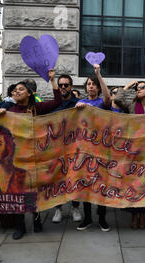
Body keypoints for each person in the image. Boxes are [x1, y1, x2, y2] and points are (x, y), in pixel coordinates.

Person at [0, 69, 62, 239]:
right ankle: (20, 227)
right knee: (18, 192)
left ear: (29, 93)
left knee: (33, 192)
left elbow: (57, 101)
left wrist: (53, 80)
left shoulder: (37, 108)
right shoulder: (9, 110)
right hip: (16, 160)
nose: (16, 92)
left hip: (36, 158)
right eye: (14, 90)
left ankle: (37, 220)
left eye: (20, 89)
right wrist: (0, 114)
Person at [114, 80, 145, 229]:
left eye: (141, 88)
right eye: (137, 88)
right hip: (133, 150)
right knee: (133, 183)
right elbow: (117, 99)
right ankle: (134, 215)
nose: (138, 90)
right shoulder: (132, 106)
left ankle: (143, 214)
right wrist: (127, 86)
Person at [75, 64, 112, 232]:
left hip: (101, 149)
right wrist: (77, 110)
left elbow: (107, 99)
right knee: (86, 184)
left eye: (93, 84)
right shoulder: (80, 102)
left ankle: (102, 218)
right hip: (85, 150)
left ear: (97, 87)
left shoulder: (102, 103)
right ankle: (88, 217)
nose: (91, 86)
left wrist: (98, 74)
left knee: (101, 183)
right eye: (88, 84)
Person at [51, 74, 83, 223]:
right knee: (58, 179)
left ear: (71, 87)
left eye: (66, 85)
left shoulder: (78, 103)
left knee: (74, 177)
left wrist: (84, 108)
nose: (63, 87)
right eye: (61, 85)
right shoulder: (53, 104)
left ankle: (75, 207)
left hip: (74, 147)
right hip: (56, 148)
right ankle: (58, 209)